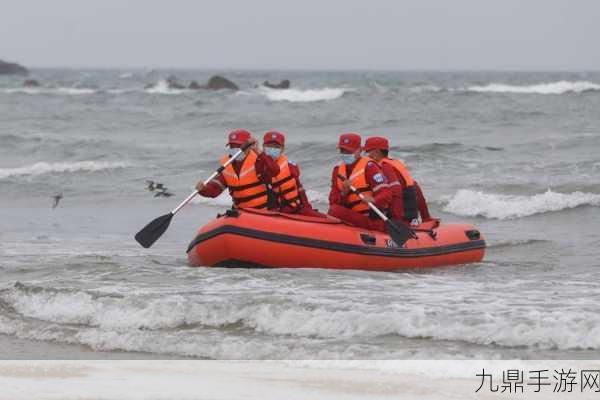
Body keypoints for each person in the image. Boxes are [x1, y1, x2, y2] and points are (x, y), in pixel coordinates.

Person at [195, 129, 280, 209]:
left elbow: (275, 171)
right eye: (232, 146)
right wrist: (203, 189)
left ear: (249, 147)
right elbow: (214, 190)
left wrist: (258, 151)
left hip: (261, 211)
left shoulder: (258, 161)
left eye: (239, 146)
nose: (235, 149)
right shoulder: (227, 165)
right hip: (241, 212)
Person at [328, 133, 392, 232]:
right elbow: (333, 202)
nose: (345, 154)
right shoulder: (337, 171)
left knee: (334, 211)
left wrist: (373, 200)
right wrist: (344, 193)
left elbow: (386, 193)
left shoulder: (369, 167)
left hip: (371, 219)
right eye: (342, 151)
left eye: (349, 151)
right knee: (333, 210)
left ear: (359, 150)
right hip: (353, 217)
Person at [363, 136, 432, 224]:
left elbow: (396, 193)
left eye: (368, 152)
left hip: (401, 217)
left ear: (376, 152)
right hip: (410, 215)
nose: (367, 156)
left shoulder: (384, 167)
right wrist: (426, 217)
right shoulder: (396, 163)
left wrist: (397, 220)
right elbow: (416, 188)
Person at [262, 131, 326, 217]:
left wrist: (307, 207)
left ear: (282, 149)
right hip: (274, 211)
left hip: (294, 208)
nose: (272, 148)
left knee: (321, 218)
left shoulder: (290, 166)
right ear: (263, 147)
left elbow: (299, 188)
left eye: (276, 146)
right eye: (269, 146)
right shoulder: (259, 166)